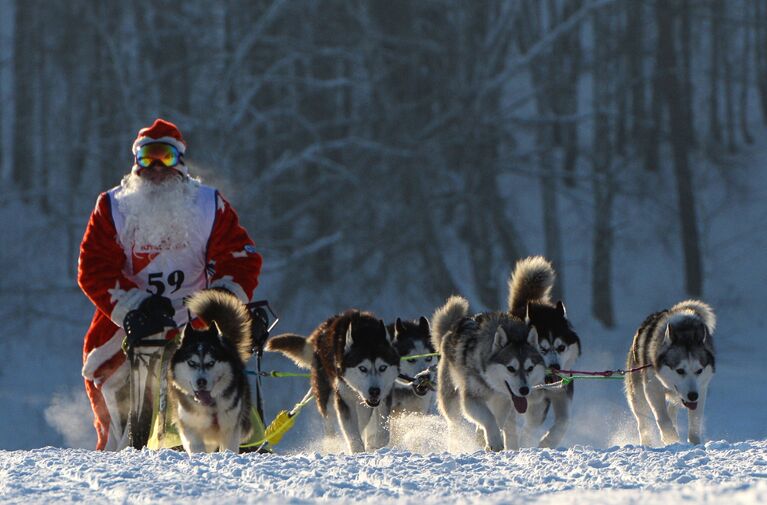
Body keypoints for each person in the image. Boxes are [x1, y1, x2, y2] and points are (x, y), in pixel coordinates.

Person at [78, 118, 263, 450]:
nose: (157, 169)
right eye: (148, 158)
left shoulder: (208, 205)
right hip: (132, 320)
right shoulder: (113, 206)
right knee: (110, 384)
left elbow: (240, 257)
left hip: (197, 317)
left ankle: (238, 441)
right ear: (136, 164)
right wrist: (134, 306)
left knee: (222, 373)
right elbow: (94, 266)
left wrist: (224, 297)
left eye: (165, 157)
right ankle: (125, 452)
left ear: (180, 163)